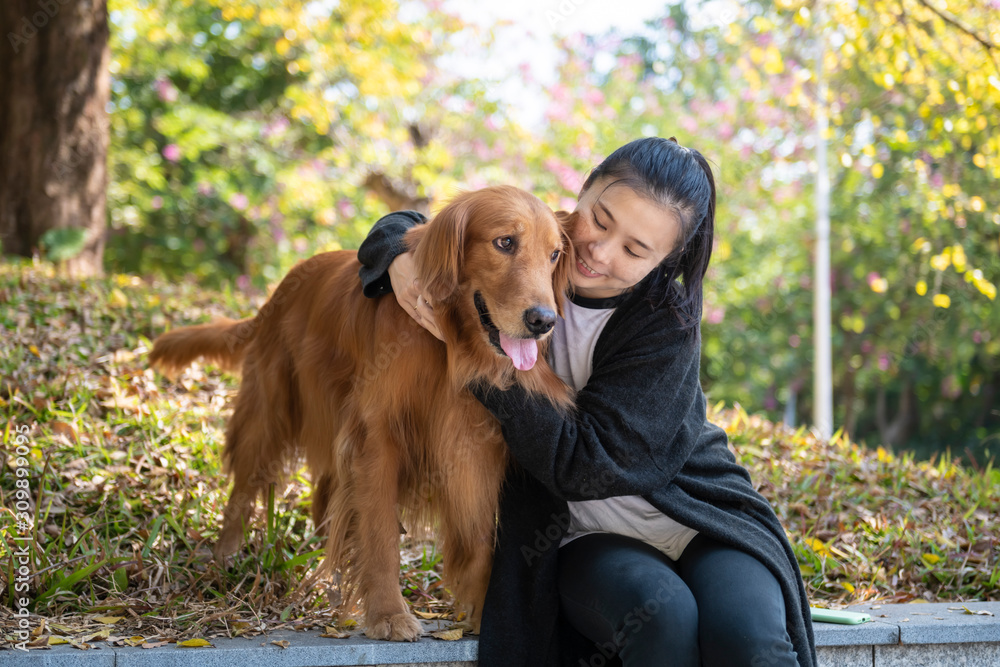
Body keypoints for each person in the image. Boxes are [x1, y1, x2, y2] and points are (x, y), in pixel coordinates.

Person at [356, 137, 817, 666]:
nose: (600, 251)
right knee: (662, 620)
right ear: (583, 191)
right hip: (583, 536)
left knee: (749, 638)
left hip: (700, 518)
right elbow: (421, 224)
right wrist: (398, 257)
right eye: (599, 219)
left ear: (667, 261)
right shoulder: (541, 247)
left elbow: (586, 465)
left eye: (635, 250)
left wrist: (482, 356)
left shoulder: (665, 325)